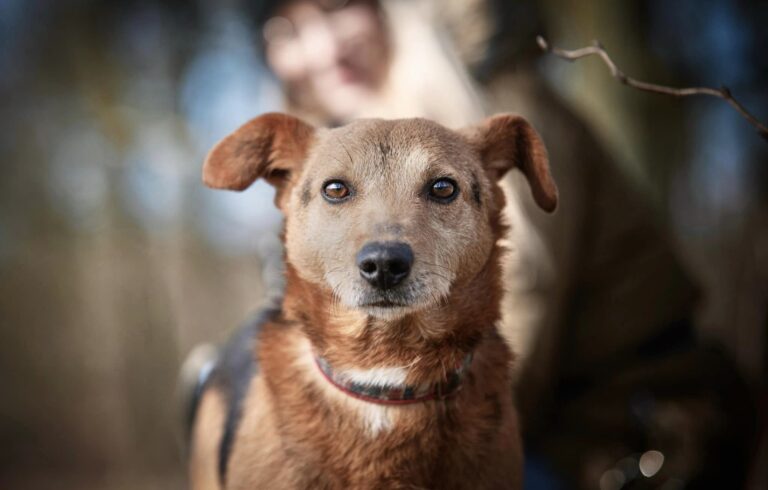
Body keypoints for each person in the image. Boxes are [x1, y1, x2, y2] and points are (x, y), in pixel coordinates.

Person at [242, 0, 755, 487]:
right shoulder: (321, 157)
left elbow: (528, 302)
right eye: (286, 30)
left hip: (621, 428)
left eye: (337, 8)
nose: (324, 47)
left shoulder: (494, 103)